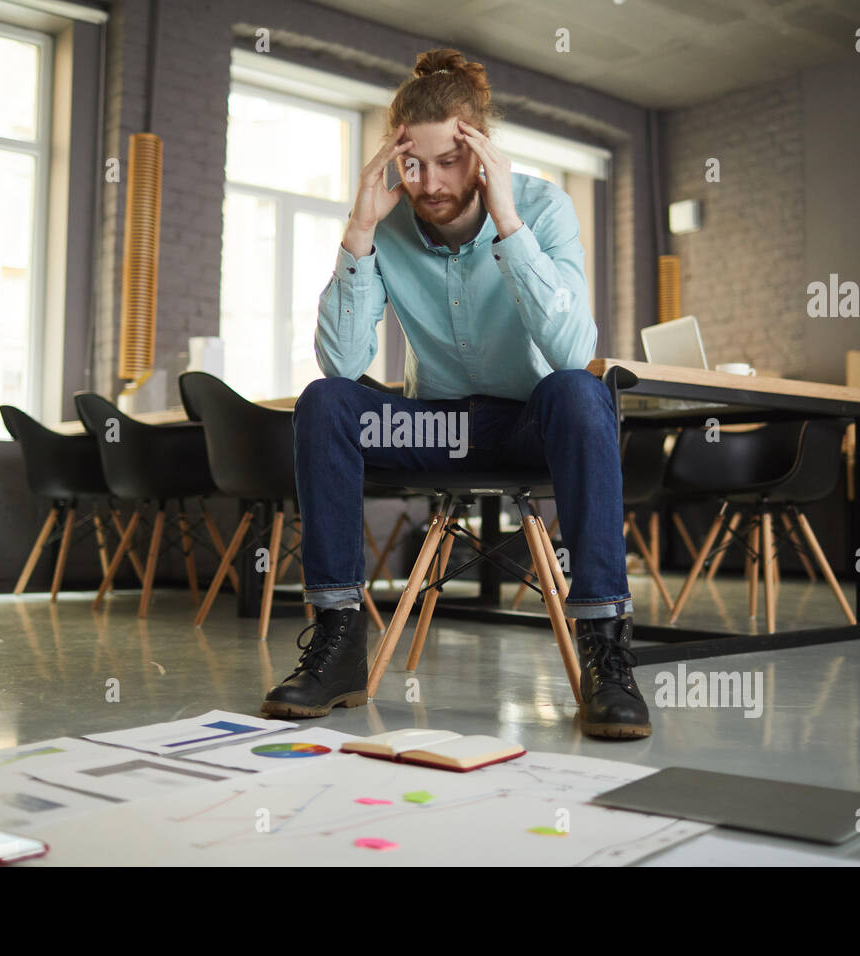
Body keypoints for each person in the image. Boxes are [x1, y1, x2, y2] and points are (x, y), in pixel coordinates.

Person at [260, 48, 650, 739]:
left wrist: (508, 223)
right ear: (394, 160)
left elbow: (570, 349)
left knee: (581, 392)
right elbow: (342, 362)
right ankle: (341, 638)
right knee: (324, 402)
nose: (431, 182)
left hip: (531, 425)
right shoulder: (386, 220)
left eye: (450, 162)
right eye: (414, 164)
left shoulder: (540, 206)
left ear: (482, 154)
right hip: (434, 431)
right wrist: (358, 230)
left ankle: (606, 648)